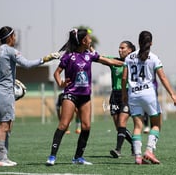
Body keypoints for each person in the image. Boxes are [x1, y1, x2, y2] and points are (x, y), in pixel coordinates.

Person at [46, 28, 124, 166]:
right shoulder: (68, 56)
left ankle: (78, 157)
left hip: (85, 96)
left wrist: (126, 63)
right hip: (71, 94)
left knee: (86, 126)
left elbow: (108, 62)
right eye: (89, 38)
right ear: (83, 41)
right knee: (64, 124)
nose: (90, 40)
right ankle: (52, 156)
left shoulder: (90, 55)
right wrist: (60, 83)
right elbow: (57, 73)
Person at [0, 26, 60, 167]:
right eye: (14, 36)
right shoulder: (10, 50)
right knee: (4, 125)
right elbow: (27, 65)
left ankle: (4, 156)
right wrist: (46, 58)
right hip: (5, 92)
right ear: (9, 38)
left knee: (8, 124)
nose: (16, 39)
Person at [122, 31, 176, 164]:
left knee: (137, 126)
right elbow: (162, 77)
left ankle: (137, 156)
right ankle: (149, 151)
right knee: (156, 124)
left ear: (138, 42)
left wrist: (125, 95)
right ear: (151, 43)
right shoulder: (154, 58)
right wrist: (173, 95)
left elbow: (124, 78)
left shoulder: (129, 57)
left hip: (133, 95)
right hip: (148, 95)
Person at [107, 41, 136, 158]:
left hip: (127, 94)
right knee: (118, 127)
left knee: (122, 122)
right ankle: (135, 143)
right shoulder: (114, 61)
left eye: (122, 48)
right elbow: (98, 57)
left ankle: (118, 150)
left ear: (129, 50)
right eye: (119, 48)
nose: (120, 50)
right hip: (114, 96)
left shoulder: (134, 62)